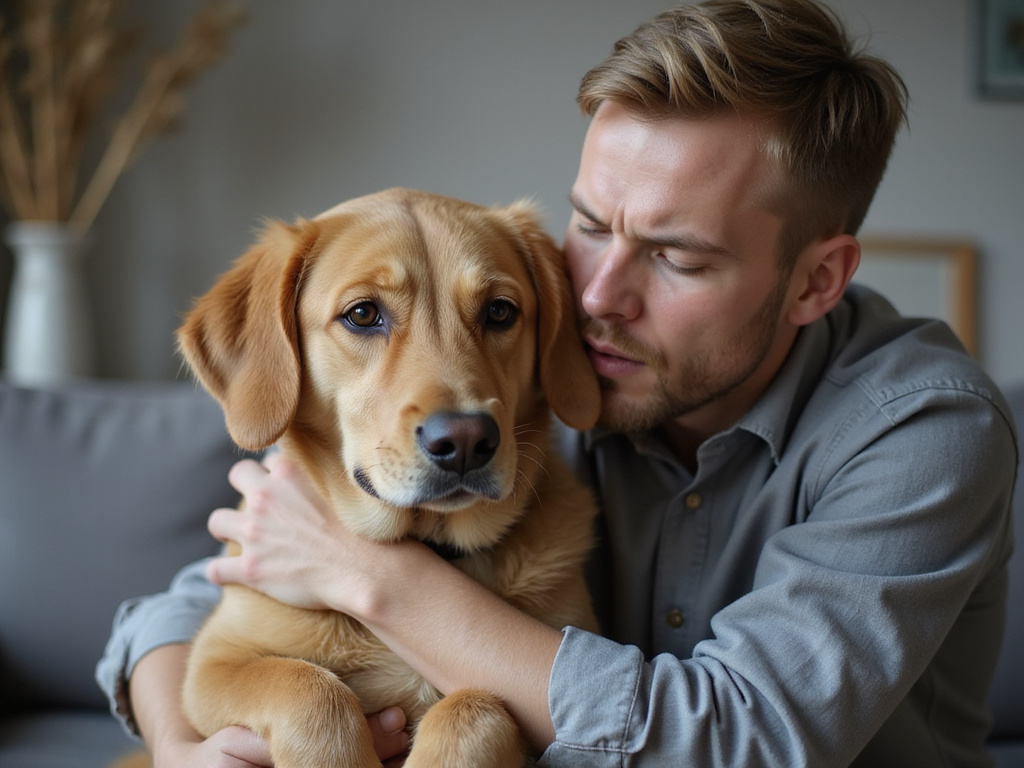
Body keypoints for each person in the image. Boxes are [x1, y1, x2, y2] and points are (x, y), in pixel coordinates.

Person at [97, 0, 1018, 766]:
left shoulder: (924, 430)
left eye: (677, 258)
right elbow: (194, 604)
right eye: (592, 225)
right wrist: (183, 748)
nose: (598, 298)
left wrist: (375, 580)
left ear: (817, 281)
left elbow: (743, 741)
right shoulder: (543, 369)